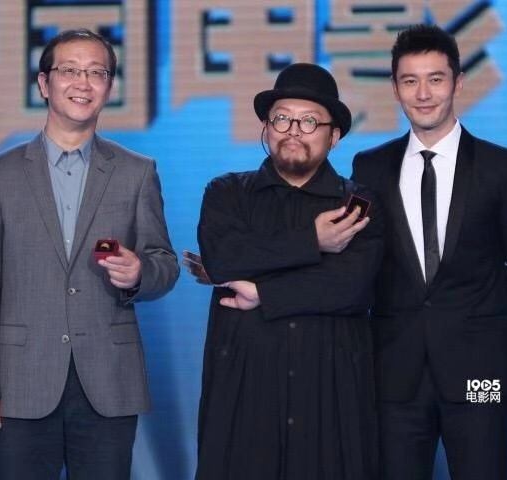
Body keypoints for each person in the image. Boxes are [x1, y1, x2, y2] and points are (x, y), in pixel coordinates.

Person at [0, 28, 179, 479]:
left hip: (108, 382)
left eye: (97, 73)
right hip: (20, 383)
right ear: (44, 84)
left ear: (109, 88)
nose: (84, 83)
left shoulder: (136, 172)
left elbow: (165, 263)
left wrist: (140, 273)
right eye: (71, 71)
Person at [351, 24, 507, 480]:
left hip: (481, 372)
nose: (423, 94)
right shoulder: (370, 167)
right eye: (410, 80)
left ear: (458, 82)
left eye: (435, 79)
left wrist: (478, 317)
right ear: (395, 87)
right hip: (395, 372)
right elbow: (364, 264)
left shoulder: (503, 167)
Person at [190, 63, 383, 480]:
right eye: (282, 118)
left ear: (333, 136)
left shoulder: (358, 204)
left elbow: (350, 287)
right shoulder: (226, 192)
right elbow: (222, 259)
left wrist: (264, 293)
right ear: (267, 126)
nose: (293, 130)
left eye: (309, 121)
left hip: (331, 390)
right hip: (244, 388)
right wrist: (312, 241)